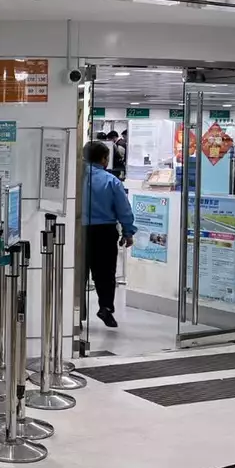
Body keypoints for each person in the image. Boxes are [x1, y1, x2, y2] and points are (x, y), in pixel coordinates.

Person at [83, 140, 136, 328]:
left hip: (79, 231)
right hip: (104, 232)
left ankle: (76, 312)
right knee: (105, 273)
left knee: (78, 272)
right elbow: (124, 209)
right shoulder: (111, 181)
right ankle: (105, 307)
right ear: (104, 159)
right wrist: (128, 232)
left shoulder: (75, 179)